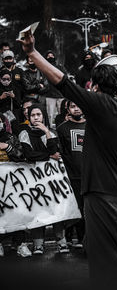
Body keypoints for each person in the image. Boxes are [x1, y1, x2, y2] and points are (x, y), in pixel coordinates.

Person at [18, 32, 117, 290]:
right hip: (110, 191)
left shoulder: (103, 105)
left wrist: (32, 54)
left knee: (108, 258)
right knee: (101, 252)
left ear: (94, 87)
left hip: (103, 192)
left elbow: (62, 83)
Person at [18, 104, 69, 255]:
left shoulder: (50, 132)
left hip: (52, 178)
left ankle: (61, 242)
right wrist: (48, 156)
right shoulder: (24, 132)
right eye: (32, 115)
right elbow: (28, 154)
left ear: (43, 116)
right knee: (37, 210)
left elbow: (56, 152)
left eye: (38, 115)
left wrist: (46, 131)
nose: (36, 118)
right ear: (28, 117)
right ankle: (38, 244)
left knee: (56, 210)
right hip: (33, 178)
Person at [0, 112, 32, 257]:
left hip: (13, 185)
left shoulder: (10, 138)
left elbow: (22, 156)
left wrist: (8, 147)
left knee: (18, 213)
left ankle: (20, 244)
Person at [57, 100, 86, 248]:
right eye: (73, 106)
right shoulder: (62, 128)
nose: (76, 109)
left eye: (78, 105)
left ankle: (84, 239)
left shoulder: (91, 126)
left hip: (90, 175)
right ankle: (69, 238)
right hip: (71, 175)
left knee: (87, 209)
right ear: (67, 109)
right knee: (74, 208)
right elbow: (62, 153)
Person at [44, 50, 68, 128]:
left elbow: (65, 77)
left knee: (62, 114)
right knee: (50, 115)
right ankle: (50, 130)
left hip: (60, 95)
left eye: (52, 55)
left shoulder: (60, 67)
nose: (50, 57)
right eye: (48, 56)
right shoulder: (44, 68)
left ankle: (62, 128)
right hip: (49, 95)